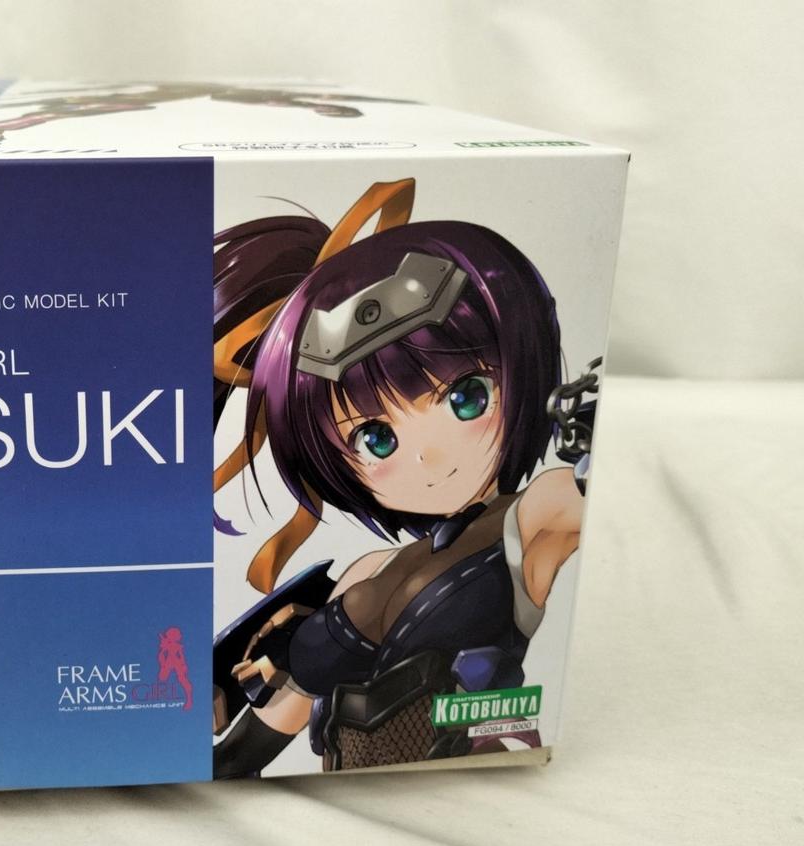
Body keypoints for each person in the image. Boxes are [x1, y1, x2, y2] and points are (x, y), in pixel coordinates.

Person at [210, 180, 594, 775]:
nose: (430, 458)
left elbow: (586, 493)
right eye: (375, 439)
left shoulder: (532, 518)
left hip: (470, 784)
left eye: (467, 398)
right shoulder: (365, 572)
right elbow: (251, 747)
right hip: (351, 791)